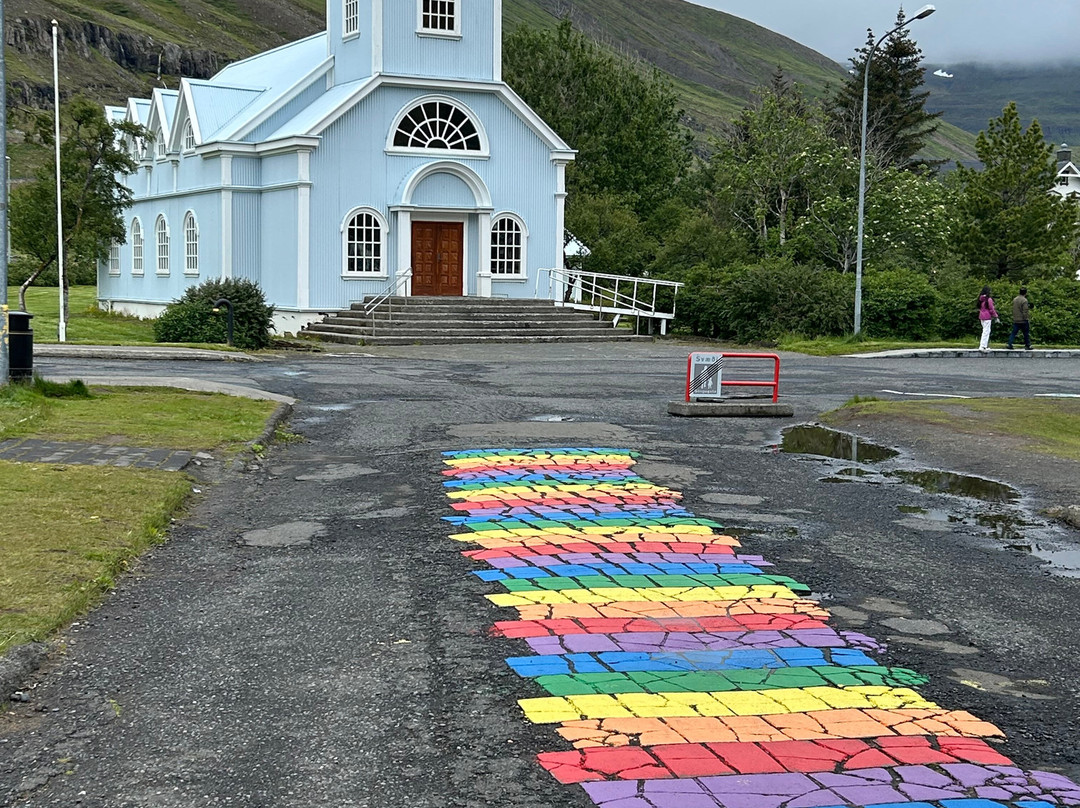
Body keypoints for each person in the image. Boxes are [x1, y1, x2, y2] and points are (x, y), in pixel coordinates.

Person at [1006, 286, 1032, 350]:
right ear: (1025, 293)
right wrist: (1026, 318)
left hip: (1016, 319)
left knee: (1014, 332)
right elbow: (1025, 311)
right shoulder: (1024, 300)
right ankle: (1027, 345)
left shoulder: (1015, 299)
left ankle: (1009, 343)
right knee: (1026, 333)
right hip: (1023, 320)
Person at [977, 285, 999, 352]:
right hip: (987, 317)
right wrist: (996, 316)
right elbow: (991, 309)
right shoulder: (989, 299)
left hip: (981, 316)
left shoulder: (980, 299)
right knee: (986, 331)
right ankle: (983, 346)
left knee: (985, 330)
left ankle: (984, 346)